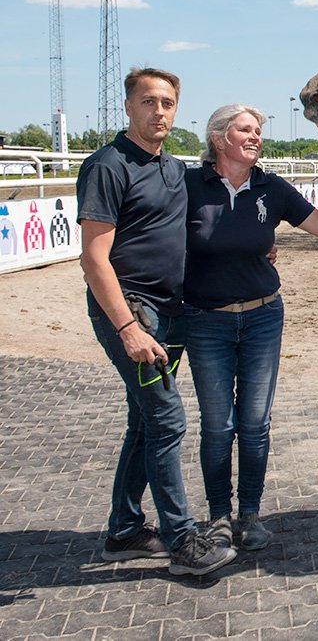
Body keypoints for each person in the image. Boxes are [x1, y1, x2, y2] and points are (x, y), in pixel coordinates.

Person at [184, 103, 318, 551]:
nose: (255, 137)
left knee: (254, 423)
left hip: (262, 318)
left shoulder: (271, 188)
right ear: (218, 139)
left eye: (258, 131)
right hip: (205, 322)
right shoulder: (188, 185)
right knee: (217, 425)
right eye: (244, 130)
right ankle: (218, 516)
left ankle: (249, 514)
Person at [77, 67, 237, 576]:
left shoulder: (173, 169)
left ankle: (123, 531)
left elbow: (197, 229)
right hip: (132, 314)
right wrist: (128, 328)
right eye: (149, 102)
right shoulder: (107, 166)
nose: (159, 111)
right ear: (129, 107)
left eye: (167, 102)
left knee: (145, 422)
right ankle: (181, 540)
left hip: (173, 314)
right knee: (167, 418)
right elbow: (94, 260)